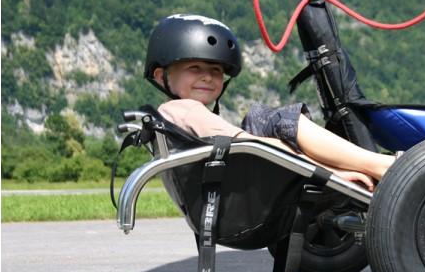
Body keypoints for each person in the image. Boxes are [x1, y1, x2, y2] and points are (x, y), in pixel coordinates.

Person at [144, 14, 396, 190]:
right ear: (161, 76)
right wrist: (332, 175)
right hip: (246, 194)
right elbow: (256, 146)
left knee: (261, 119)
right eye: (194, 67)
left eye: (216, 70)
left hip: (237, 184)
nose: (207, 77)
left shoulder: (171, 115)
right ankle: (381, 165)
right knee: (278, 119)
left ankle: (372, 164)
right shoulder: (185, 110)